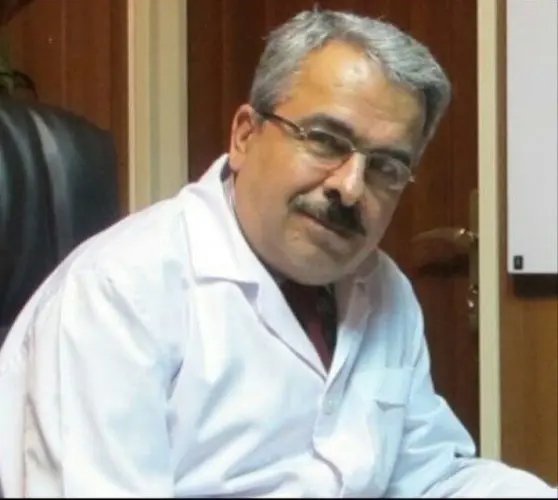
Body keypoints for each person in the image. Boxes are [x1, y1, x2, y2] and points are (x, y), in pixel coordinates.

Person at [0, 9, 556, 498]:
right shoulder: (120, 293)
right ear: (245, 136)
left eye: (386, 167)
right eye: (325, 140)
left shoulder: (383, 290)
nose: (350, 187)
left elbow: (430, 477)